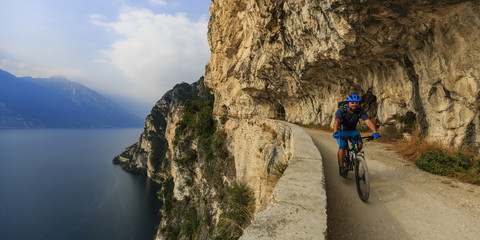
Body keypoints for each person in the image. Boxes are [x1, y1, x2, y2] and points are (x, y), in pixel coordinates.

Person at [333, 94, 381, 177]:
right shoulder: (341, 110)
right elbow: (337, 121)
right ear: (348, 103)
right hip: (342, 131)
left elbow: (368, 121)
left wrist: (375, 132)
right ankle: (341, 167)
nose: (354, 104)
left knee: (359, 145)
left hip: (353, 131)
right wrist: (335, 132)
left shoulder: (360, 111)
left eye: (356, 103)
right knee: (342, 147)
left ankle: (353, 156)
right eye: (352, 102)